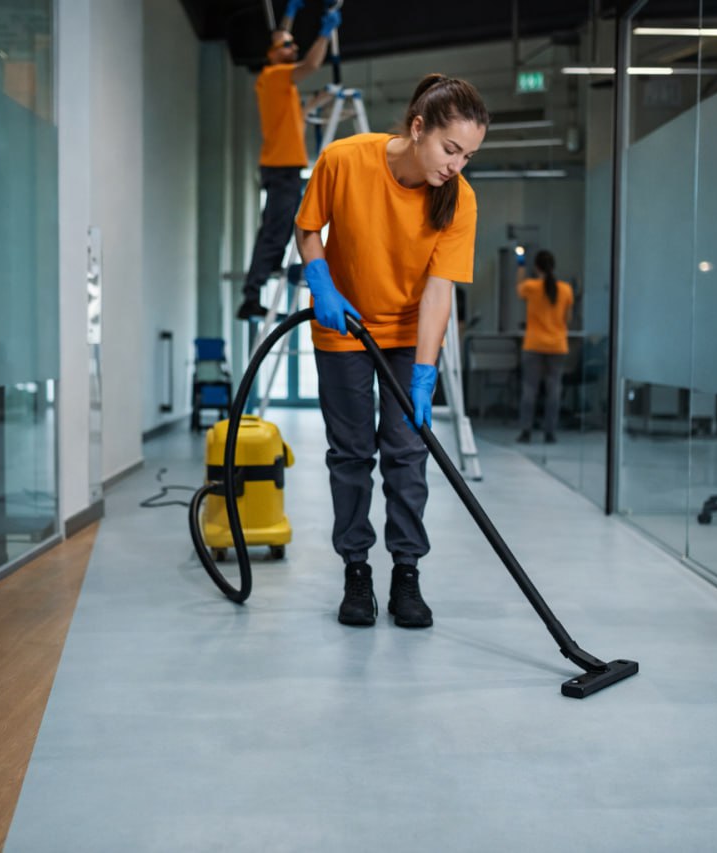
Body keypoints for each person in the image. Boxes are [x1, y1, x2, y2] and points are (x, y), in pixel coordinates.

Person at [293, 74, 489, 628]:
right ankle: (357, 571)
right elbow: (307, 227)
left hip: (407, 337)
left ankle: (407, 573)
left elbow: (438, 290)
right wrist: (320, 280)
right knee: (351, 453)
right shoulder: (345, 159)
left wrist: (424, 373)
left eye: (468, 156)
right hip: (343, 328)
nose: (456, 165)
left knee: (406, 454)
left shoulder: (459, 201)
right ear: (418, 127)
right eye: (450, 149)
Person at [235, 0, 341, 320]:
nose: (292, 46)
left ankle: (254, 289)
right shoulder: (275, 76)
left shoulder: (284, 92)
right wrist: (325, 34)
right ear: (272, 53)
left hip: (284, 169)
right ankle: (251, 296)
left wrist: (292, 15)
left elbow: (302, 115)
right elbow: (309, 63)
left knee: (275, 229)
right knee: (276, 231)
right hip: (281, 169)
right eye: (287, 45)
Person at [515, 249, 574, 444]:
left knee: (529, 389)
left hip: (534, 345)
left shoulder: (531, 287)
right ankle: (550, 432)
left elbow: (518, 288)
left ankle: (526, 431)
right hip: (557, 345)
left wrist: (521, 265)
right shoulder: (566, 289)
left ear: (537, 267)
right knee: (554, 390)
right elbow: (568, 319)